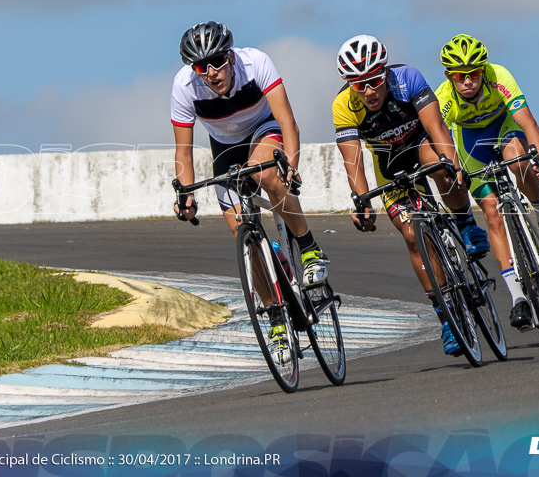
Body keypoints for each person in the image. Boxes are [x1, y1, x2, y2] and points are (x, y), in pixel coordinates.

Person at [171, 21, 328, 365]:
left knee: (268, 173)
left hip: (264, 128)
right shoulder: (184, 87)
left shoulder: (255, 63)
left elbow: (288, 122)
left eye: (217, 61)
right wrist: (185, 193)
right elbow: (183, 152)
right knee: (241, 233)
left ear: (230, 56)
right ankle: (275, 318)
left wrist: (292, 165)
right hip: (225, 148)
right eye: (201, 66)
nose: (211, 73)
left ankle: (308, 248)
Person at [331, 34, 490, 357]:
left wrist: (455, 166)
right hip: (389, 166)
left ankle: (465, 223)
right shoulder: (343, 106)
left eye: (374, 81)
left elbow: (437, 130)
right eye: (358, 85)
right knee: (411, 236)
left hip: (421, 144)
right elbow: (354, 161)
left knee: (440, 165)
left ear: (385, 73)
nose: (369, 91)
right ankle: (446, 316)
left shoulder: (407, 79)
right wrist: (361, 201)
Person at [435, 33, 539, 332]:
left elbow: (528, 123)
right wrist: (455, 171)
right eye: (459, 76)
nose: (467, 81)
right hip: (472, 145)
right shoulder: (443, 97)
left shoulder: (500, 77)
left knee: (520, 162)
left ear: (484, 71)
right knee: (493, 215)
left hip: (504, 128)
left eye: (474, 74)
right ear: (448, 77)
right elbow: (442, 142)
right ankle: (518, 298)